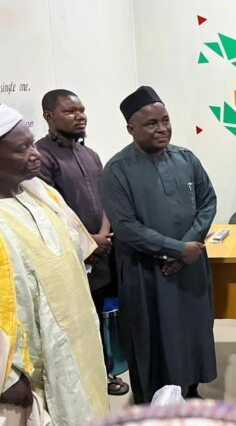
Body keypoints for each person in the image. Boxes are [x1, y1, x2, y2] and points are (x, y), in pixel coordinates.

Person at [99, 86, 217, 404]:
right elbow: (126, 227)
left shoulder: (186, 158)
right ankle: (154, 400)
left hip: (189, 267)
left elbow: (208, 202)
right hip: (145, 270)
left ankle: (190, 389)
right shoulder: (116, 171)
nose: (162, 128)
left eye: (165, 120)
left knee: (192, 329)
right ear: (131, 128)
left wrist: (187, 247)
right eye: (151, 123)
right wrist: (177, 250)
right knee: (152, 335)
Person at [0, 104, 109, 425]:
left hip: (78, 342)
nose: (35, 154)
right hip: (31, 365)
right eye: (22, 149)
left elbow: (76, 251)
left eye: (32, 143)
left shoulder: (41, 192)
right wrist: (6, 377)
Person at [35, 89, 129, 396]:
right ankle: (87, 382)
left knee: (101, 316)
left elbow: (106, 199)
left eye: (82, 110)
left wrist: (102, 235)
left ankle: (106, 372)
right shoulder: (41, 157)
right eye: (70, 111)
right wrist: (89, 242)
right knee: (79, 323)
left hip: (101, 252)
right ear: (49, 116)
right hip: (72, 256)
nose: (80, 116)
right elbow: (51, 211)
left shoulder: (90, 155)